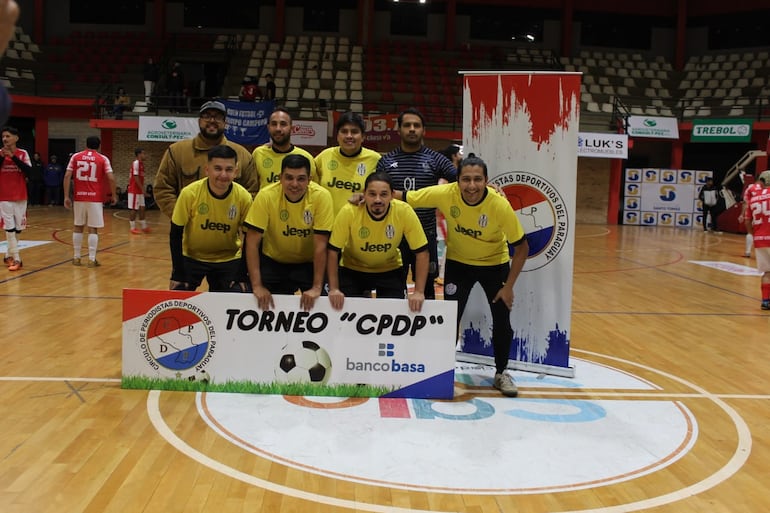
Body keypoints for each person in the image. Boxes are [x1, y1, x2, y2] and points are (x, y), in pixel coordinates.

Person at [404, 155, 530, 397]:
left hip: (495, 264)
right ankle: (438, 371)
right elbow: (405, 197)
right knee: (450, 320)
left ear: (486, 181)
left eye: (477, 180)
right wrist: (364, 197)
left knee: (502, 321)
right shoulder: (445, 193)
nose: (471, 186)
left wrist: (509, 287)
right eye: (466, 180)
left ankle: (502, 372)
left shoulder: (499, 205)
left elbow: (522, 246)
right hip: (459, 264)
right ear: (457, 181)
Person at [376, 108, 457, 299]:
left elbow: (460, 181)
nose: (412, 129)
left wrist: (485, 185)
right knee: (393, 287)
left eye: (416, 125)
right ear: (399, 130)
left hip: (426, 235)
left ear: (424, 130)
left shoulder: (436, 159)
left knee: (427, 290)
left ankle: (425, 329)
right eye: (407, 125)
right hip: (394, 236)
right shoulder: (386, 161)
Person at [327, 171, 428, 313]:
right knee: (345, 320)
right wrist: (334, 289)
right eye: (372, 194)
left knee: (393, 317)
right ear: (364, 194)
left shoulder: (404, 211)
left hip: (390, 269)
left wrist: (418, 292)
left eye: (384, 194)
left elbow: (422, 252)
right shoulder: (349, 211)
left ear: (392, 195)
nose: (378, 200)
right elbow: (332, 251)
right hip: (352, 269)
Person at [244, 154, 334, 311]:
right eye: (289, 178)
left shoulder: (322, 196)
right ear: (280, 178)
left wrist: (317, 287)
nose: (294, 184)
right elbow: (252, 242)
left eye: (301, 179)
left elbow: (321, 245)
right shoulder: (266, 195)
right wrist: (257, 286)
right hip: (274, 261)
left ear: (310, 179)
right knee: (259, 303)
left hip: (309, 263)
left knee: (325, 304)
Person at [153, 100, 258, 219]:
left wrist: (233, 220)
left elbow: (252, 193)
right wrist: (181, 216)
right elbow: (162, 188)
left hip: (228, 232)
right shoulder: (177, 151)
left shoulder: (242, 155)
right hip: (186, 233)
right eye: (206, 116)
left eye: (217, 117)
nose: (212, 120)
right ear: (199, 121)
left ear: (225, 123)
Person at [169, 145, 253, 292]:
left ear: (236, 171)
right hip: (192, 257)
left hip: (229, 258)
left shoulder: (243, 197)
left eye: (229, 169)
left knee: (238, 294)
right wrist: (177, 273)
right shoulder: (189, 193)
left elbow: (251, 237)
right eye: (218, 168)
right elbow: (175, 233)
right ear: (207, 169)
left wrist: (242, 274)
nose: (223, 174)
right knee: (179, 293)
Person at [63, 136, 117, 268]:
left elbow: (67, 176)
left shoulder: (75, 157)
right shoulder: (103, 159)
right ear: (99, 145)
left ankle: (76, 258)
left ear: (86, 144)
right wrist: (114, 194)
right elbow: (111, 178)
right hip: (95, 198)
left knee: (78, 226)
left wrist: (66, 196)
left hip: (79, 197)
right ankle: (92, 260)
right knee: (93, 228)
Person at [315, 111, 381, 214]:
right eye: (344, 131)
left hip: (359, 224)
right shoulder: (324, 156)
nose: (349, 136)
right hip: (327, 224)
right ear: (337, 136)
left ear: (363, 137)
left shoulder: (375, 159)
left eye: (354, 132)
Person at [253, 106, 317, 190]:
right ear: (268, 128)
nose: (278, 128)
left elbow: (313, 190)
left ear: (291, 128)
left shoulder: (306, 157)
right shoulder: (258, 154)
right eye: (274, 124)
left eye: (283, 124)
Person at [0, 125, 30, 271]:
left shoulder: (23, 154)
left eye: (8, 136)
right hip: (4, 196)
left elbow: (30, 172)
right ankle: (17, 259)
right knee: (9, 228)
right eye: (3, 136)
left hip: (20, 195)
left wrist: (13, 157)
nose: (5, 139)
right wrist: (2, 157)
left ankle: (7, 255)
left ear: (16, 138)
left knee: (18, 228)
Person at [743, 169, 770, 310]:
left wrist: (754, 235)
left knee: (767, 272)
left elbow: (748, 221)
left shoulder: (754, 197)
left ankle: (765, 301)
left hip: (760, 239)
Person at [128, 148, 150, 234]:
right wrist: (143, 190)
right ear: (139, 154)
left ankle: (144, 226)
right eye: (144, 153)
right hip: (134, 190)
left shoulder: (141, 164)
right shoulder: (136, 163)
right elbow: (136, 177)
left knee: (142, 208)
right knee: (134, 209)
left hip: (139, 191)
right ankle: (132, 228)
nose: (145, 155)